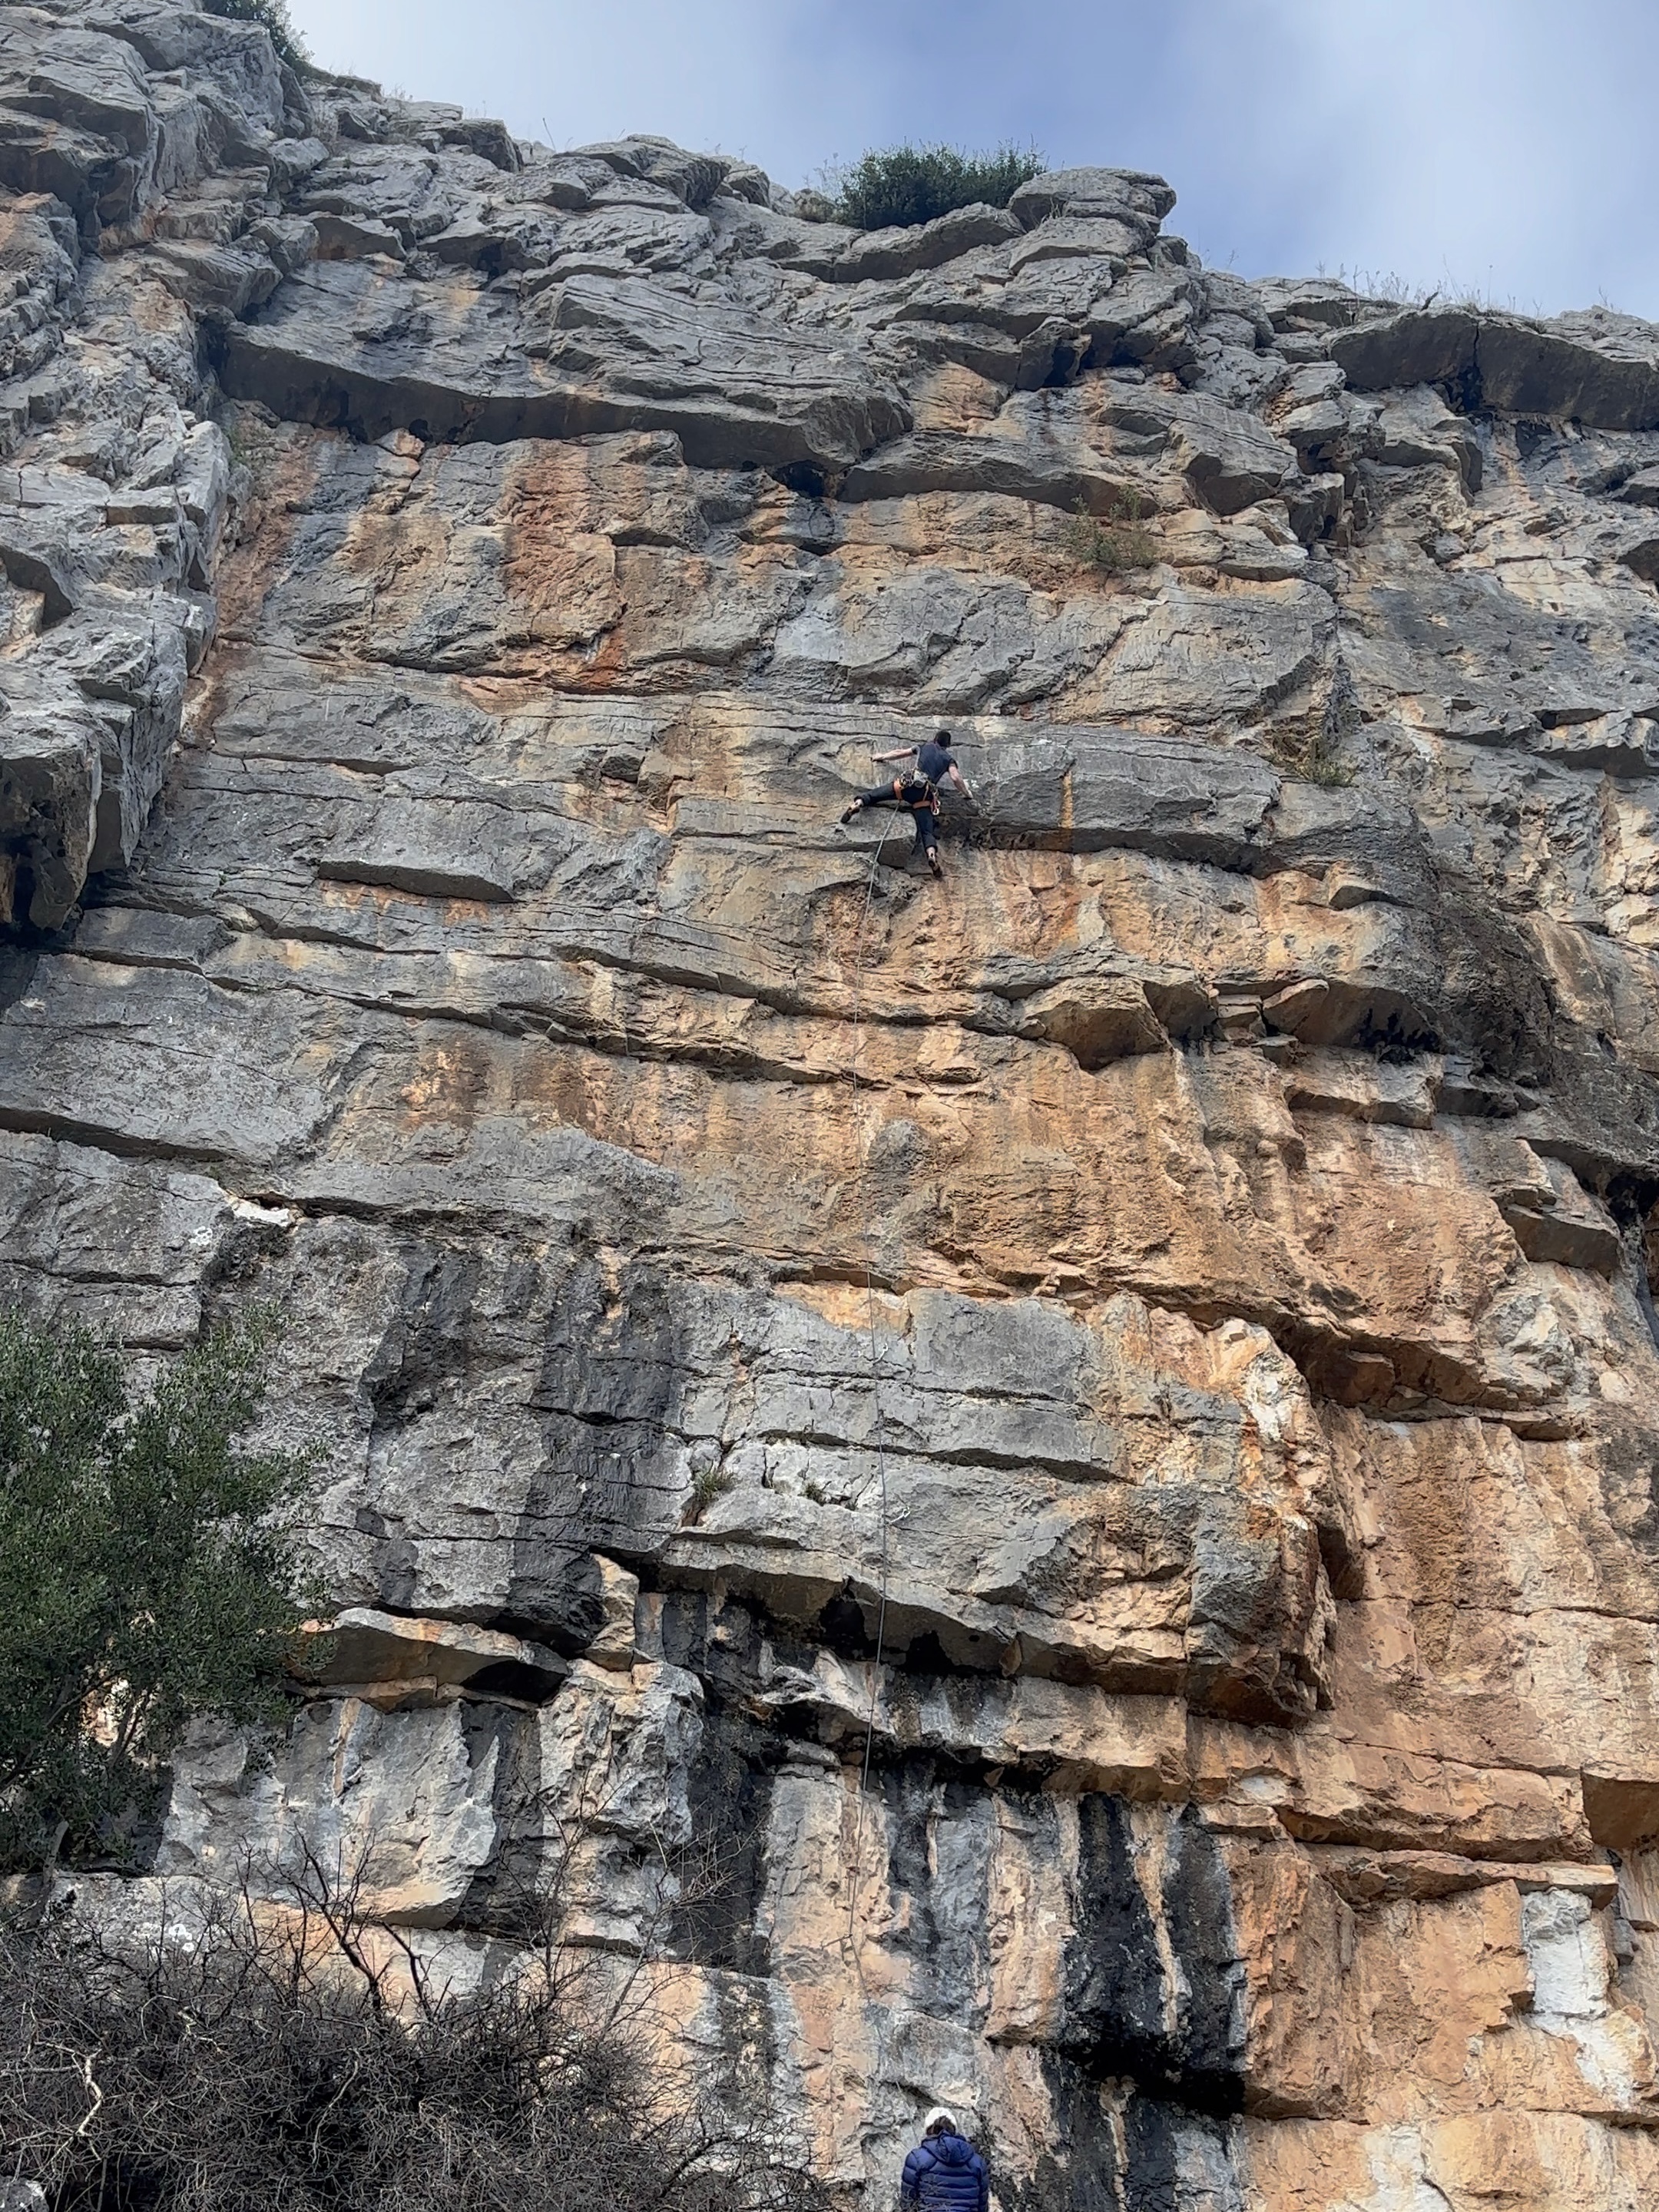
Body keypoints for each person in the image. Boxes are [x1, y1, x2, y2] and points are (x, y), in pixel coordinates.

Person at [839, 730, 974, 879]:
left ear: (935, 739)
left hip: (905, 785)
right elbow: (955, 777)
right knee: (927, 831)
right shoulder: (949, 759)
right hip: (923, 796)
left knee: (874, 795)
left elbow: (900, 753)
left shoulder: (924, 746)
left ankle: (857, 804)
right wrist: (967, 793)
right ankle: (931, 855)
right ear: (947, 745)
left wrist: (881, 757)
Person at [899, 2108, 989, 2212]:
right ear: (954, 2130)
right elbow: (982, 2206)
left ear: (928, 2130)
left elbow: (908, 2202)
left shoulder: (916, 2158)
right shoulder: (977, 2162)